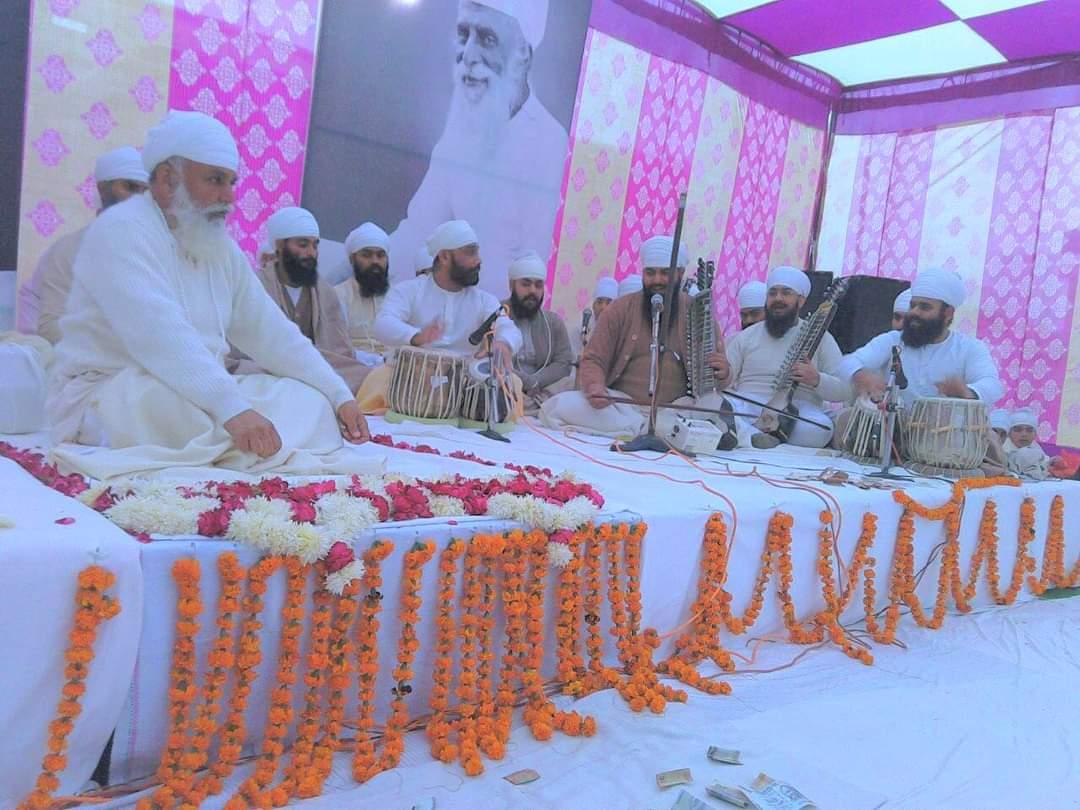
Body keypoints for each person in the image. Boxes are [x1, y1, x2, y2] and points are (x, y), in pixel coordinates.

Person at [46, 111, 373, 480]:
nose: (229, 196)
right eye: (215, 180)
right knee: (197, 416)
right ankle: (244, 446)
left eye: (232, 182)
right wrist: (232, 409)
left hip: (202, 390)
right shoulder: (121, 231)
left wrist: (337, 394)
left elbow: (271, 332)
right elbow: (160, 336)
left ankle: (240, 449)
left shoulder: (219, 247)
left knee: (308, 402)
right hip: (114, 390)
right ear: (169, 180)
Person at [389, 0, 567, 298]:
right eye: (464, 34)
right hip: (444, 306)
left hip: (497, 318)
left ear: (522, 53)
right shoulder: (461, 126)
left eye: (486, 38)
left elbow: (530, 264)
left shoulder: (550, 140)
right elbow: (419, 227)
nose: (468, 55)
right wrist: (362, 268)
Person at [540, 236, 731, 439]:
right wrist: (595, 385)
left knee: (715, 405)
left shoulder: (698, 313)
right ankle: (658, 431)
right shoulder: (619, 309)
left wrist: (724, 373)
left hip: (678, 409)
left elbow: (716, 380)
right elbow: (593, 358)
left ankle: (653, 429)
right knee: (558, 406)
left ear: (680, 273)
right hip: (621, 407)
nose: (657, 280)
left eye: (665, 273)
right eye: (650, 273)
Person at [356, 219, 523, 412]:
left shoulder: (485, 301)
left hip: (464, 383)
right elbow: (383, 324)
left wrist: (503, 343)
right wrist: (417, 336)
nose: (478, 260)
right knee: (380, 377)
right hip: (413, 378)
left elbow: (507, 326)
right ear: (444, 257)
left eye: (477, 252)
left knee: (513, 382)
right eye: (470, 252)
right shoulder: (409, 291)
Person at [229, 207, 369, 394]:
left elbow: (338, 351)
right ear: (279, 246)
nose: (311, 253)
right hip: (267, 368)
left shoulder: (325, 292)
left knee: (365, 376)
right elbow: (237, 351)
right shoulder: (253, 286)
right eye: (303, 245)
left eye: (315, 245)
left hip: (316, 367)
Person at [18, 147, 150, 343]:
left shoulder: (154, 248)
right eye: (130, 186)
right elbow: (50, 327)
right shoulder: (70, 250)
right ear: (102, 189)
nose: (138, 198)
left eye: (146, 190)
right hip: (61, 358)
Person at [713, 266, 850, 449]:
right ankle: (754, 437)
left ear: (801, 301)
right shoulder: (745, 337)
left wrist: (816, 379)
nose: (778, 298)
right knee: (711, 405)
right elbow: (725, 383)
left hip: (795, 411)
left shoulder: (821, 337)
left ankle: (744, 436)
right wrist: (723, 375)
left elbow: (844, 390)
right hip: (748, 406)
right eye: (773, 293)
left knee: (821, 428)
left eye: (786, 293)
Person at [840, 268, 1004, 409]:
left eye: (924, 307)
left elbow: (993, 385)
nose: (915, 312)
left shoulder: (969, 348)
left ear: (947, 314)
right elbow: (846, 362)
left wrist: (967, 392)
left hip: (946, 437)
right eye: (913, 305)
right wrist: (861, 375)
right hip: (892, 433)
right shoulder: (893, 340)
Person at [504, 251, 572, 412]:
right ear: (511, 285)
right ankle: (535, 406)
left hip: (543, 389)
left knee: (570, 383)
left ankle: (530, 405)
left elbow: (564, 363)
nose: (533, 291)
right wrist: (526, 382)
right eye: (526, 284)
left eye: (538, 285)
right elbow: (494, 361)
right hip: (510, 385)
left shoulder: (553, 322)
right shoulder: (497, 316)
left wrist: (536, 381)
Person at [336, 222, 393, 365]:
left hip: (395, 370)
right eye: (366, 255)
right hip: (353, 369)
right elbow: (335, 347)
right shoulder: (337, 295)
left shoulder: (398, 296)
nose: (375, 261)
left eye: (380, 255)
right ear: (352, 259)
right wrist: (375, 360)